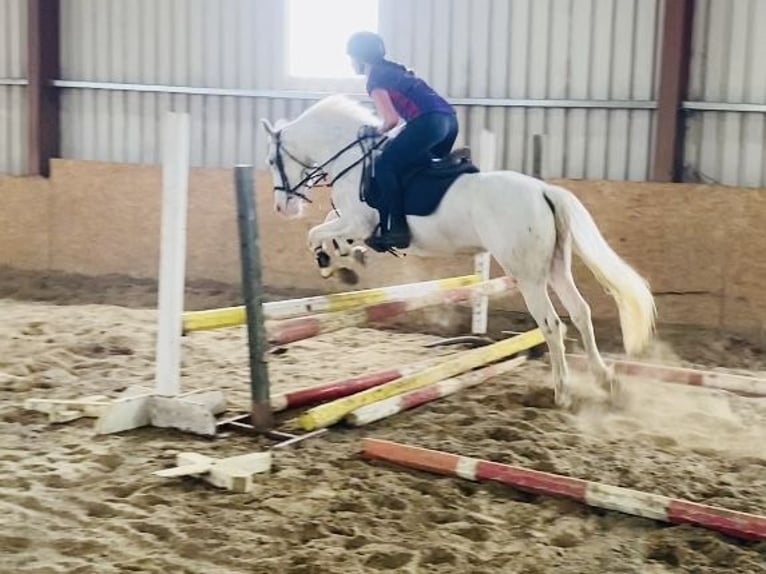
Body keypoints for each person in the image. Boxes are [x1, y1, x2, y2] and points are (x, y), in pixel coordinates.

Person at [346, 31, 459, 249]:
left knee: (384, 166)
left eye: (351, 58)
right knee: (412, 165)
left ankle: (397, 229)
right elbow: (405, 120)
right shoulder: (394, 70)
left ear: (361, 58)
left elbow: (390, 120)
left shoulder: (375, 78)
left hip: (430, 123)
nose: (351, 64)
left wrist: (375, 131)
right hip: (449, 122)